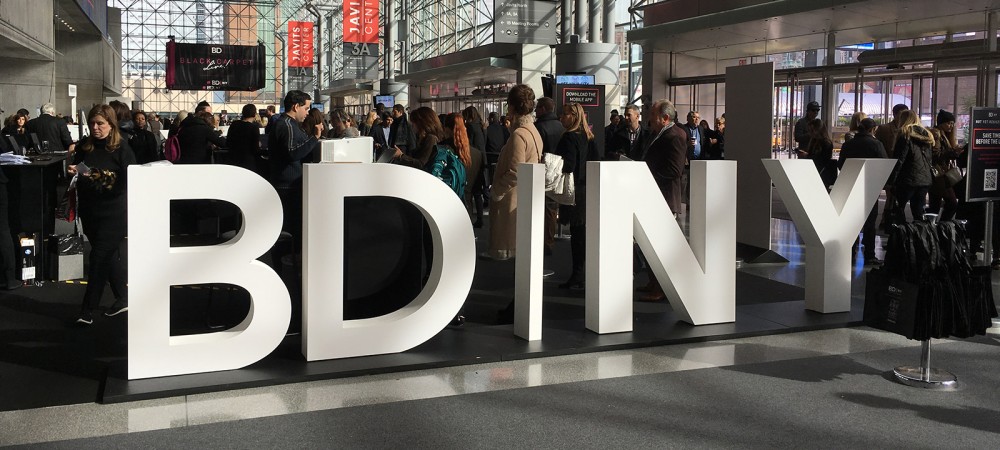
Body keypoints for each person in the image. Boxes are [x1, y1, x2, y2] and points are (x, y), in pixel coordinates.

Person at [69, 104, 137, 324]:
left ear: (111, 124)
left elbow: (127, 181)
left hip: (114, 212)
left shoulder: (122, 148)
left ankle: (87, 311)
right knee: (107, 257)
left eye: (100, 123)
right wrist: (76, 170)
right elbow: (78, 167)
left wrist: (94, 174)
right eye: (92, 123)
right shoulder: (85, 146)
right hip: (90, 211)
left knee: (98, 258)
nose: (95, 128)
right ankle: (123, 298)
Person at [637, 99, 687, 302]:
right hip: (653, 195)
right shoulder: (658, 134)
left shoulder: (675, 136)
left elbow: (674, 170)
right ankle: (653, 281)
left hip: (664, 197)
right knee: (649, 242)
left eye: (653, 115)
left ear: (665, 118)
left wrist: (647, 176)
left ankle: (661, 287)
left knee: (660, 245)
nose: (649, 119)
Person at [486, 84, 543, 260]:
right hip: (525, 195)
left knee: (510, 240)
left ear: (511, 106)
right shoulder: (533, 131)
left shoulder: (519, 134)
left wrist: (497, 191)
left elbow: (515, 170)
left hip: (512, 196)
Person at [268, 90, 323, 249]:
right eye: (305, 108)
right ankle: (288, 257)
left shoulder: (287, 124)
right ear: (295, 106)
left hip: (287, 183)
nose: (307, 113)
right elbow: (293, 153)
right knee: (291, 228)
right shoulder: (287, 125)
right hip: (288, 186)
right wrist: (314, 138)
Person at [555, 102, 600, 290]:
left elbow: (568, 165)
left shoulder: (568, 138)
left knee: (577, 235)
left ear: (574, 116)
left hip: (575, 192)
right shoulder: (589, 138)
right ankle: (584, 273)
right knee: (584, 234)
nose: (561, 117)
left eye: (565, 114)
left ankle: (578, 274)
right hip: (588, 190)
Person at [838, 118, 887, 264]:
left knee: (852, 220)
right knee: (870, 222)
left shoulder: (848, 144)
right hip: (870, 185)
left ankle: (850, 253)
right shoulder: (876, 144)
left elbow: (841, 164)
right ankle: (870, 255)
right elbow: (883, 163)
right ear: (873, 129)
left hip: (852, 184)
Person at [888, 109, 934, 226]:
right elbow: (929, 159)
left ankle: (902, 233)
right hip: (924, 179)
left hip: (907, 179)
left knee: (899, 209)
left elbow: (900, 159)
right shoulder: (927, 135)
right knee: (918, 212)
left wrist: (892, 180)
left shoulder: (905, 133)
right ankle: (918, 234)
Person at [534, 97, 565, 255]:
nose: (535, 110)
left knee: (538, 207)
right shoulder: (561, 126)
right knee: (552, 208)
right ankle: (549, 241)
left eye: (537, 107)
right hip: (557, 170)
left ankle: (540, 241)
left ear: (543, 109)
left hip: (542, 171)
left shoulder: (539, 127)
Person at [928, 109, 962, 221]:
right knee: (951, 203)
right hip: (939, 174)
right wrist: (952, 152)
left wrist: (954, 153)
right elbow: (936, 155)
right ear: (941, 123)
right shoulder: (936, 134)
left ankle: (932, 227)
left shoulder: (946, 135)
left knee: (935, 205)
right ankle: (942, 226)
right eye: (948, 123)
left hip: (940, 174)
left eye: (952, 123)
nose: (951, 126)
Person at [798, 118, 836, 188]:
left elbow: (822, 160)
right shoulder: (814, 141)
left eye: (812, 131)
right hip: (817, 171)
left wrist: (807, 156)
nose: (810, 133)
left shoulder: (825, 143)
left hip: (821, 173)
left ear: (818, 130)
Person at [225, 103, 262, 172]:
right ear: (254, 114)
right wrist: (258, 144)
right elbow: (255, 149)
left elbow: (228, 142)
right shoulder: (254, 128)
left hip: (233, 160)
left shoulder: (234, 124)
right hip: (248, 163)